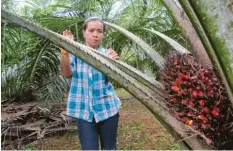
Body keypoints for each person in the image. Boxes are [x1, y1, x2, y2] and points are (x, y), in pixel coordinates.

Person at [60, 17, 121, 150]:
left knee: (110, 148)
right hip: (84, 112)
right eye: (91, 30)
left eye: (99, 31)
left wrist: (114, 64)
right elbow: (66, 74)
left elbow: (114, 80)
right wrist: (65, 51)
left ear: (103, 34)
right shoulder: (74, 52)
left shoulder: (107, 54)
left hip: (108, 109)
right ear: (84, 32)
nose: (95, 34)